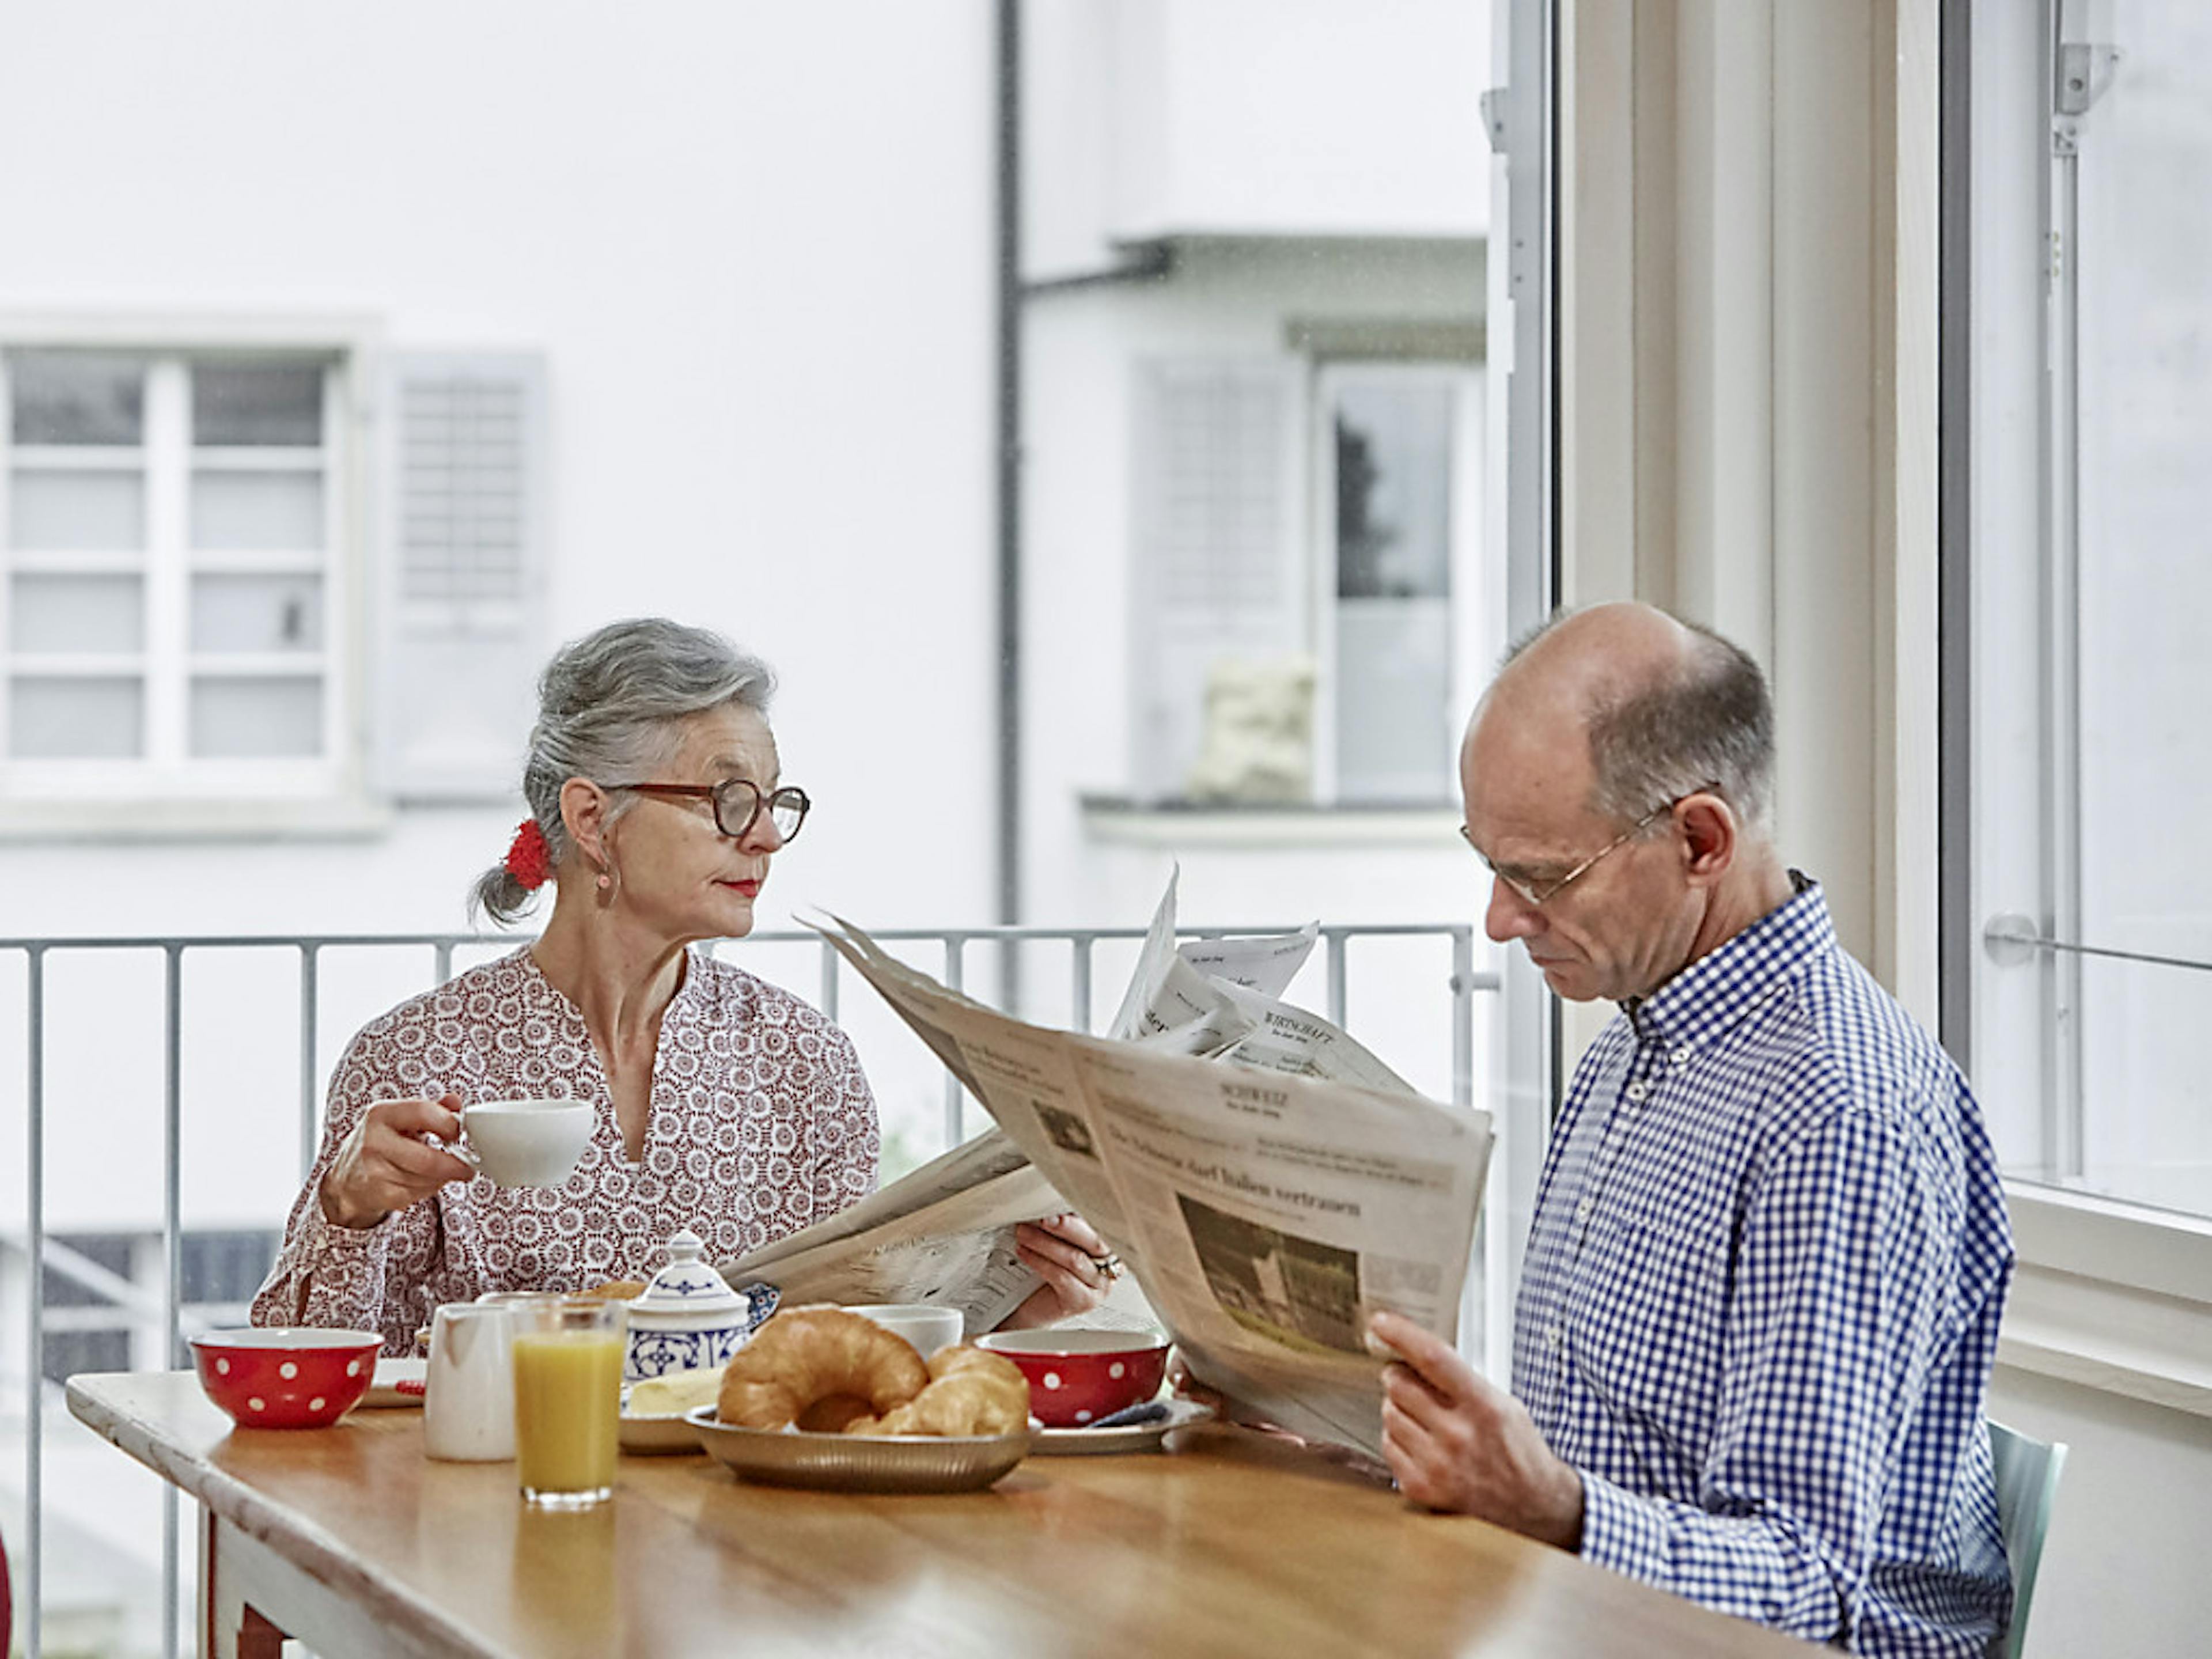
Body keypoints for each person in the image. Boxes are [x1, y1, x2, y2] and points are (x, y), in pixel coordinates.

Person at [1370, 603, 2013, 1656]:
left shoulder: (1838, 1114)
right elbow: (1597, 1447)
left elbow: (1808, 1584)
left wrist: (1557, 1511)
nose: (1498, 919)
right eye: (1488, 863)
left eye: (1539, 876)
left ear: (1700, 840)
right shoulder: (1641, 1037)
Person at [252, 618, 1111, 1353]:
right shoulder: (416, 1056)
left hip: (741, 1514)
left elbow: (841, 1349)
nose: (768, 837)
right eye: (730, 800)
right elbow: (318, 1373)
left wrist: (1007, 1309)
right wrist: (347, 1208)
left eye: (776, 803)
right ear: (593, 819)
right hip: (492, 1501)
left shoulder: (803, 1060)